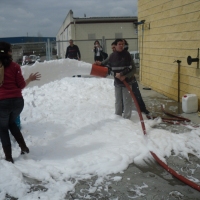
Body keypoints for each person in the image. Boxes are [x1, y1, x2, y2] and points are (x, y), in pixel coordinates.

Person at [0, 41, 41, 163]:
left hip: (2, 103)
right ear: (8, 52)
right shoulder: (15, 67)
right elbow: (21, 85)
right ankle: (24, 147)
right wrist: (30, 79)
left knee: (2, 128)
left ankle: (8, 157)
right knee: (11, 123)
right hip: (18, 102)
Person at [107, 39, 134, 119]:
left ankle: (127, 118)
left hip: (126, 82)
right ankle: (118, 117)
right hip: (117, 83)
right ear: (115, 45)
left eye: (122, 44)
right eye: (119, 44)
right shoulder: (112, 56)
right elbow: (109, 68)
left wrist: (122, 74)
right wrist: (115, 74)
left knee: (127, 101)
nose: (121, 46)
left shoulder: (127, 54)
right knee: (118, 101)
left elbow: (130, 67)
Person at [122, 39, 149, 114]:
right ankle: (122, 110)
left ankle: (142, 109)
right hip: (122, 80)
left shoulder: (128, 55)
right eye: (121, 44)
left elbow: (133, 69)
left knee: (137, 95)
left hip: (131, 79)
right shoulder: (116, 56)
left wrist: (128, 76)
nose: (123, 46)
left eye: (124, 44)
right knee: (123, 97)